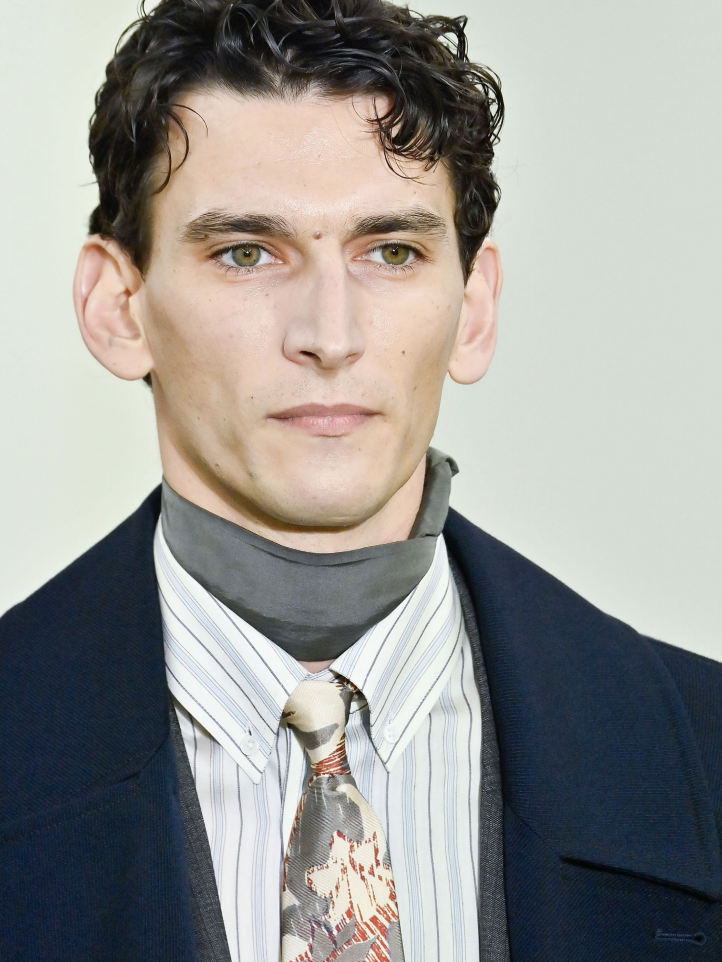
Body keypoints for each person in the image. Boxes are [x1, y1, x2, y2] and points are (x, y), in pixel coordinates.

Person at [1, 0, 721, 959]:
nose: (330, 336)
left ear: (472, 311)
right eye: (246, 253)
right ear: (117, 307)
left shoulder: (703, 749)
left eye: (391, 252)